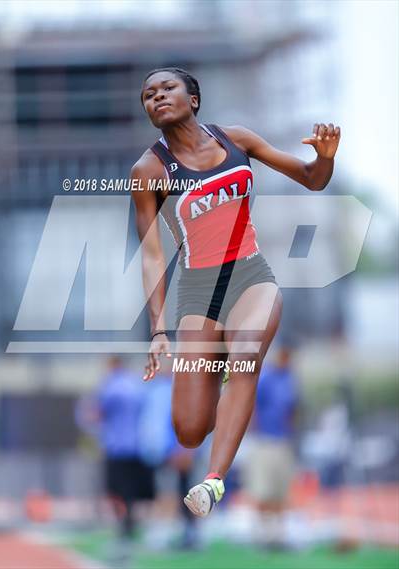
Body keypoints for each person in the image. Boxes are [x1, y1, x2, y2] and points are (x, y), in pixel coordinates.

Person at [131, 66, 340, 517]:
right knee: (189, 429)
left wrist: (325, 158)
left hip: (251, 275)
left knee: (246, 356)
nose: (157, 97)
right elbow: (150, 256)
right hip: (198, 292)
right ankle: (219, 367)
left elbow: (312, 177)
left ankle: (213, 481)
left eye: (167, 88)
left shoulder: (236, 140)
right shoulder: (148, 170)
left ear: (195, 98)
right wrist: (158, 330)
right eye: (148, 95)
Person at [75, 356, 155, 539]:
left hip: (117, 447)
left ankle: (124, 524)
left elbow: (95, 414)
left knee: (117, 489)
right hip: (139, 446)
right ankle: (133, 521)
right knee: (135, 490)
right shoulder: (137, 384)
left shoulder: (111, 387)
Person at [241, 344, 299, 548]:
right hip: (264, 440)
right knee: (262, 490)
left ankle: (278, 534)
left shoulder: (291, 379)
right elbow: (253, 405)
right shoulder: (266, 378)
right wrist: (253, 433)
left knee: (280, 491)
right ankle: (263, 533)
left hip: (282, 440)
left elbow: (293, 410)